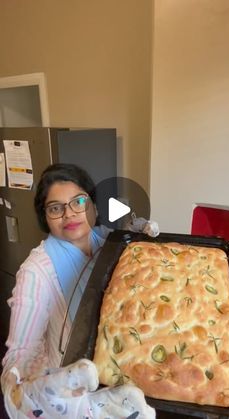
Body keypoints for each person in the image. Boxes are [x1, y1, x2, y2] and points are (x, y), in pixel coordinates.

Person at [1, 163, 157, 419]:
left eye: (78, 201)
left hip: (120, 370)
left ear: (93, 205)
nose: (69, 214)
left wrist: (138, 232)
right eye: (55, 208)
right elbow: (20, 353)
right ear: (45, 217)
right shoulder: (37, 270)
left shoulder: (105, 239)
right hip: (70, 393)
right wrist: (30, 395)